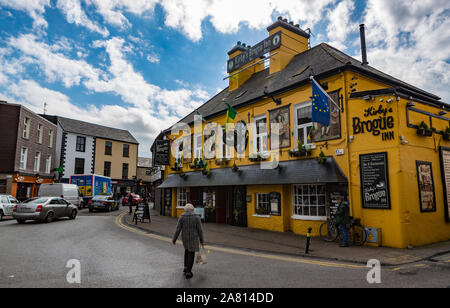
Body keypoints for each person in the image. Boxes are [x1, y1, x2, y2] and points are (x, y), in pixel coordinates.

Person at [172, 204, 204, 279]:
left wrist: (174, 239)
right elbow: (200, 230)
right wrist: (202, 240)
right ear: (193, 209)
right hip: (193, 238)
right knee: (191, 253)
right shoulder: (196, 217)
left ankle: (186, 267)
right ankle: (188, 272)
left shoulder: (182, 217)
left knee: (187, 251)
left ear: (185, 209)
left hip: (185, 238)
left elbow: (178, 229)